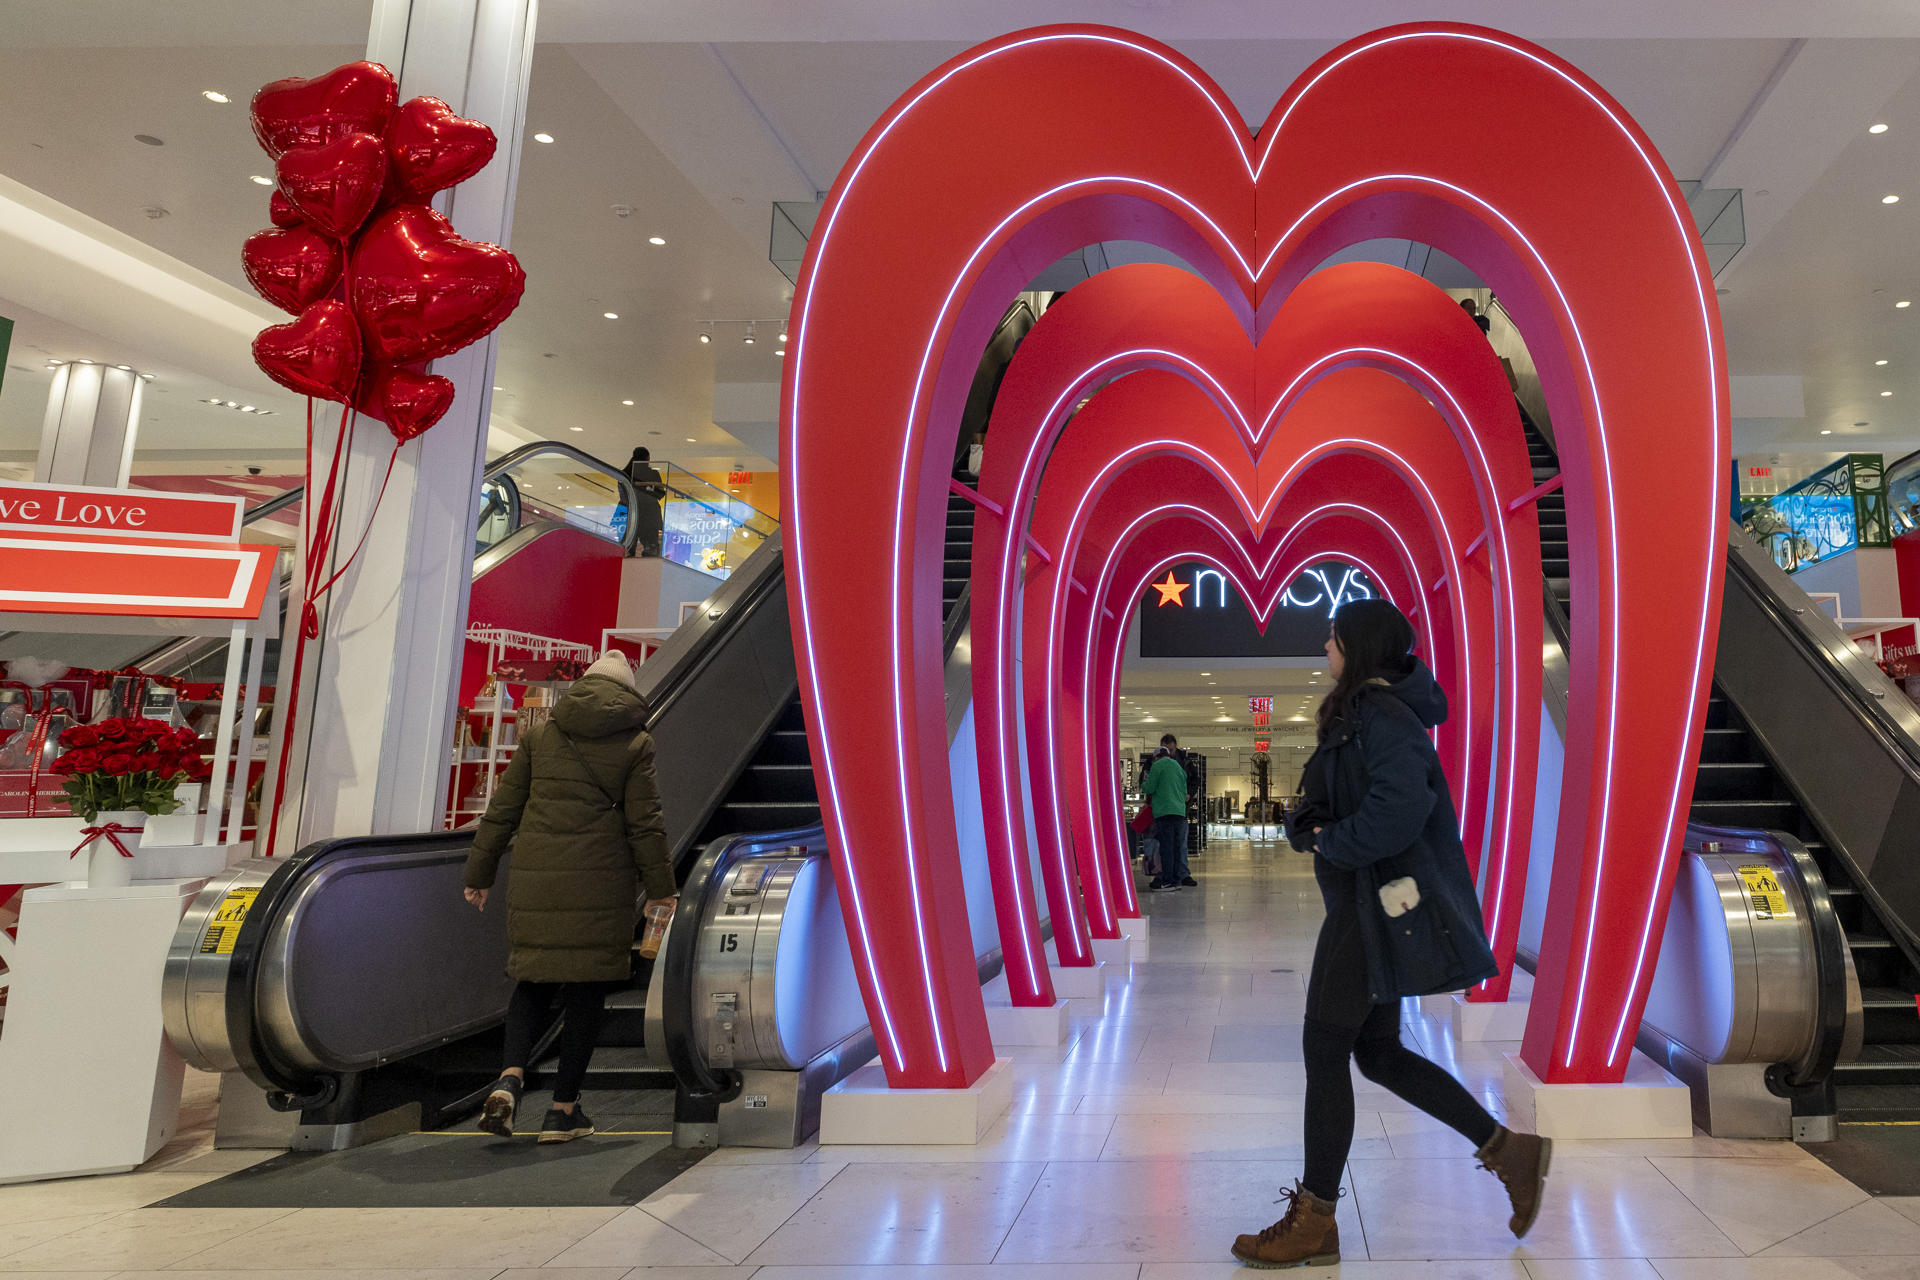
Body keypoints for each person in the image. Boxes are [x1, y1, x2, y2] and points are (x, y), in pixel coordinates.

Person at [1232, 599, 1549, 1268]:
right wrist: (1306, 826)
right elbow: (1334, 798)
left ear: (1360, 647)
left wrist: (1332, 843)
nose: (1325, 644)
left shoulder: (1381, 714)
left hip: (1369, 908)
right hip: (1363, 901)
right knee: (1374, 1053)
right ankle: (1508, 1149)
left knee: (1324, 1046)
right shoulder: (1361, 714)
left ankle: (1315, 1218)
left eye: (1334, 636)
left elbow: (1401, 807)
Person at [463, 651, 676, 1143]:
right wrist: (661, 891)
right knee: (585, 995)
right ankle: (562, 1112)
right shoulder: (636, 742)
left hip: (537, 880)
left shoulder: (541, 735)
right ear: (626, 693)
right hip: (600, 884)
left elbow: (503, 810)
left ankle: (509, 1080)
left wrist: (480, 872)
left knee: (532, 982)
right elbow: (645, 824)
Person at [1142, 733, 1194, 890]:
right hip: (1179, 811)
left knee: (1166, 847)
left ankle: (1168, 881)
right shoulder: (1178, 766)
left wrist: (1146, 782)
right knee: (1178, 847)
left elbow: (1149, 788)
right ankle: (1177, 880)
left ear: (1157, 756)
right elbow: (1186, 787)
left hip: (1164, 811)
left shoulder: (1157, 766)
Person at [624, 447, 665, 558]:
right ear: (647, 458)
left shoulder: (625, 473)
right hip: (650, 512)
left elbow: (623, 495)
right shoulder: (652, 474)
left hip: (632, 511)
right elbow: (660, 493)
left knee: (629, 544)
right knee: (650, 547)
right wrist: (649, 488)